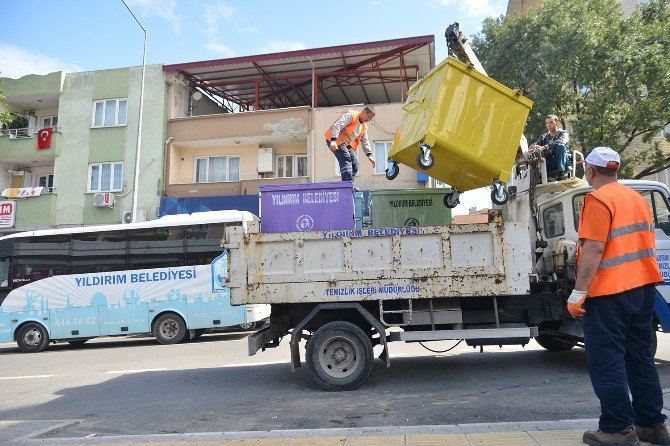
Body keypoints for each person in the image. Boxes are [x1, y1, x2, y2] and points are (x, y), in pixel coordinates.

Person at [566, 147, 668, 446]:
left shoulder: (597, 199)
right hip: (644, 289)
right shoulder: (636, 199)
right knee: (640, 358)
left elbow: (595, 249)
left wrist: (578, 293)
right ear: (616, 169)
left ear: (590, 171)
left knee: (607, 361)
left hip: (610, 294)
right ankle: (652, 426)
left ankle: (616, 429)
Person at [326, 107, 376, 182]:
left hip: (345, 143)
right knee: (346, 158)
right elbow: (337, 125)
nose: (368, 120)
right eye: (369, 117)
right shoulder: (351, 115)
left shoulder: (364, 127)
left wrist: (369, 155)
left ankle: (350, 184)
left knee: (355, 164)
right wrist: (333, 141)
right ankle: (346, 185)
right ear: (364, 112)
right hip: (335, 139)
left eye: (370, 119)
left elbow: (365, 141)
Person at [529, 114, 570, 179]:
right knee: (536, 158)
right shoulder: (544, 137)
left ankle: (562, 172)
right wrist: (533, 148)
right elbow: (534, 144)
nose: (549, 125)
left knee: (561, 146)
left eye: (551, 122)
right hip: (550, 163)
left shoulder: (563, 133)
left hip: (562, 162)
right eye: (547, 123)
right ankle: (537, 177)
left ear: (557, 123)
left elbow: (562, 141)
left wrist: (545, 147)